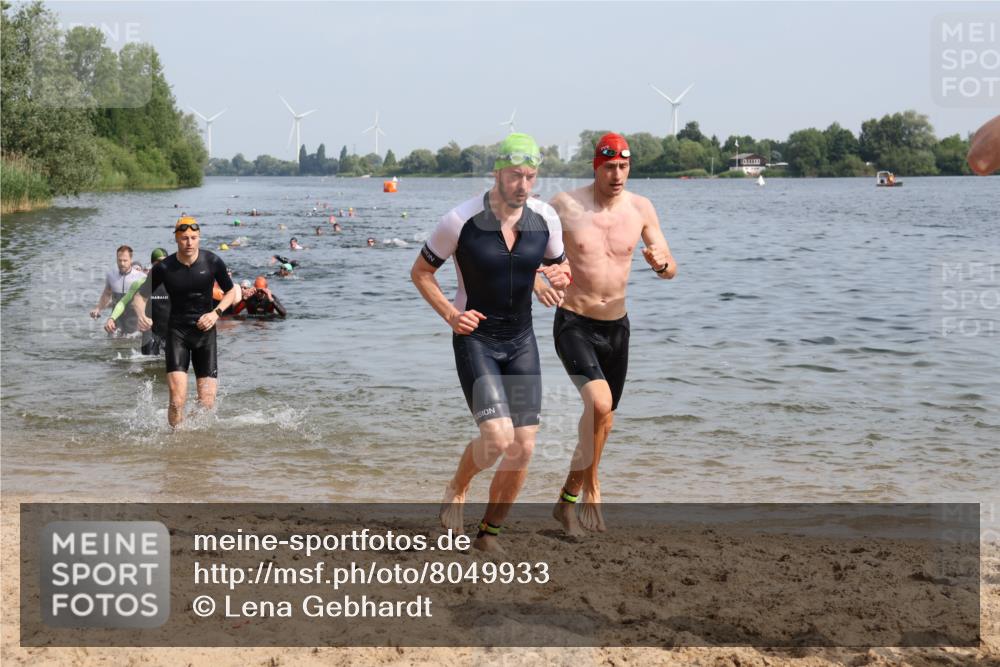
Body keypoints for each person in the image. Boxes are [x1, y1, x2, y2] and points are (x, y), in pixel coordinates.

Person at [411, 133, 570, 552]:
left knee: (524, 446)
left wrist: (553, 278)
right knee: (498, 439)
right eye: (515, 175)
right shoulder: (459, 221)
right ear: (497, 172)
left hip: (520, 340)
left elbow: (560, 266)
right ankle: (458, 488)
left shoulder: (546, 219)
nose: (523, 184)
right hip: (475, 338)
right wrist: (450, 314)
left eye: (531, 176)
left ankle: (488, 535)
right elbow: (421, 273)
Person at [537, 132, 677, 536]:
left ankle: (565, 502)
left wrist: (661, 263)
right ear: (596, 168)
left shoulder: (641, 209)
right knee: (599, 405)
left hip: (618, 327)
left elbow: (670, 267)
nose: (617, 175)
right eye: (610, 167)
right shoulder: (565, 205)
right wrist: (536, 276)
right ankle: (593, 488)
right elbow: (523, 243)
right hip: (574, 322)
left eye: (623, 167)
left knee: (606, 421)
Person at [132, 216, 240, 428]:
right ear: (176, 239)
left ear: (199, 238)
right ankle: (175, 441)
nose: (189, 242)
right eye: (184, 238)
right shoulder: (165, 267)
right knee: (176, 402)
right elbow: (139, 296)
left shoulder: (212, 262)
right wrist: (141, 315)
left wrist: (216, 313)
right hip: (177, 334)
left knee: (207, 403)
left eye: (193, 237)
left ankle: (189, 441)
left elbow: (232, 291)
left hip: (205, 335)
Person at [104, 248, 171, 355]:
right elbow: (123, 302)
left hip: (171, 332)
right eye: (158, 262)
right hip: (149, 331)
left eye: (165, 261)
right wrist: (112, 318)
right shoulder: (141, 283)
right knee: (147, 363)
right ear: (153, 263)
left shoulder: (175, 281)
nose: (162, 265)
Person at [90, 245, 145, 335]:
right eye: (119, 260)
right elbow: (107, 294)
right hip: (116, 321)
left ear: (131, 260)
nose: (122, 263)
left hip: (134, 322)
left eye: (125, 260)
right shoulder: (111, 275)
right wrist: (98, 309)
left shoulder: (141, 277)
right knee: (113, 345)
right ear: (116, 259)